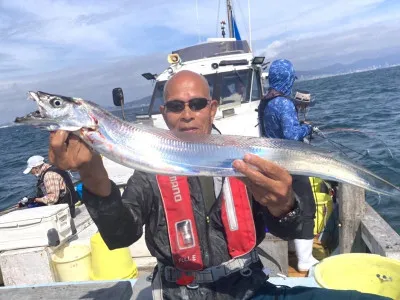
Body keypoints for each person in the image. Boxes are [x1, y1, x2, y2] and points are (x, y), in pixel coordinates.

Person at [48, 70, 388, 300]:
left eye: (196, 104)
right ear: (164, 113)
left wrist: (282, 204)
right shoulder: (149, 171)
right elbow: (122, 236)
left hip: (250, 289)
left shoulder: (249, 158)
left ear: (212, 109)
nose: (187, 114)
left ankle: (382, 183)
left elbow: (295, 228)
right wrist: (91, 174)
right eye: (176, 106)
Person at [258, 59, 318, 272]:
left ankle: (294, 248)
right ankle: (305, 260)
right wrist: (307, 129)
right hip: (291, 164)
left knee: (289, 207)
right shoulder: (283, 103)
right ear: (288, 79)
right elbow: (292, 136)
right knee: (306, 207)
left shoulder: (265, 101)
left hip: (273, 164)